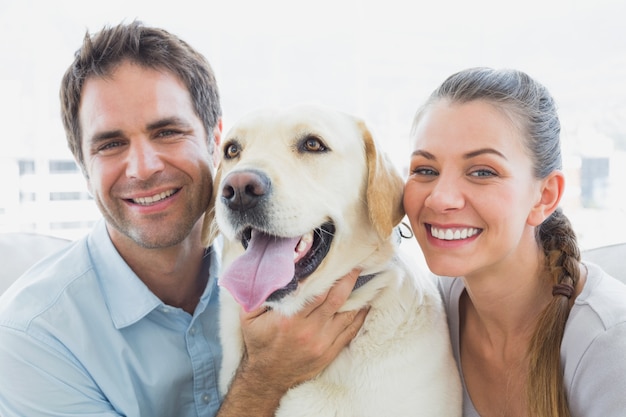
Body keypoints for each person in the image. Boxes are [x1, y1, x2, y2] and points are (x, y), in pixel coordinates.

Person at [0, 21, 367, 417]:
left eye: (167, 132)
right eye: (110, 144)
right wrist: (265, 378)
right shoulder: (31, 337)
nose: (142, 168)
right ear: (83, 169)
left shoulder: (299, 265)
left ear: (216, 144)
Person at [403, 67, 626, 417]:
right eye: (425, 170)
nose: (440, 198)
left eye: (482, 172)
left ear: (544, 197)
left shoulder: (611, 343)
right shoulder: (432, 308)